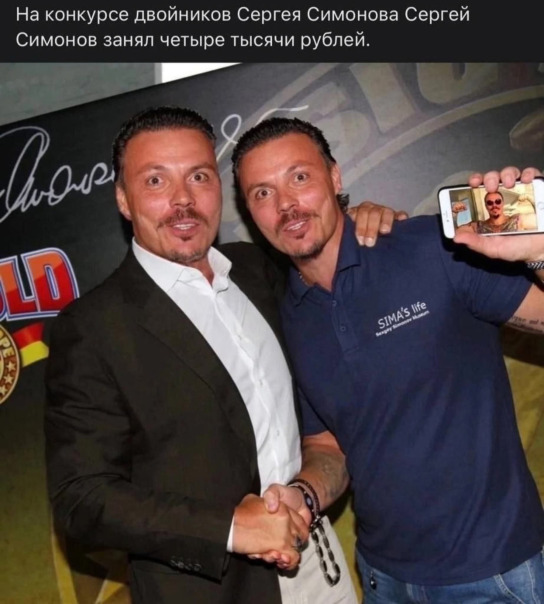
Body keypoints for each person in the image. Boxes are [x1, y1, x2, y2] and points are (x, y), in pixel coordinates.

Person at [45, 106, 401, 604]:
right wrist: (230, 528)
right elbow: (81, 499)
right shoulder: (92, 328)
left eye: (198, 176)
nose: (183, 200)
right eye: (155, 181)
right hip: (215, 591)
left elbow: (328, 253)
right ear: (124, 200)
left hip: (322, 574)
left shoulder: (259, 268)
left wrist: (359, 220)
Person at [232, 116, 544, 603]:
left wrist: (539, 252)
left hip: (493, 573)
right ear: (250, 211)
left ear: (335, 176)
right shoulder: (290, 315)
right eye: (262, 193)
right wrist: (304, 495)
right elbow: (330, 445)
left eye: (299, 177)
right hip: (383, 578)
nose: (286, 204)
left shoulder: (432, 247)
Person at [452, 189, 537, 233]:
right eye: (490, 203)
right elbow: (454, 233)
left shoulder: (517, 221)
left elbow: (541, 220)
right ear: (486, 206)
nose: (494, 205)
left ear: (503, 203)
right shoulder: (477, 226)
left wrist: (531, 198)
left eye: (498, 201)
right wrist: (454, 214)